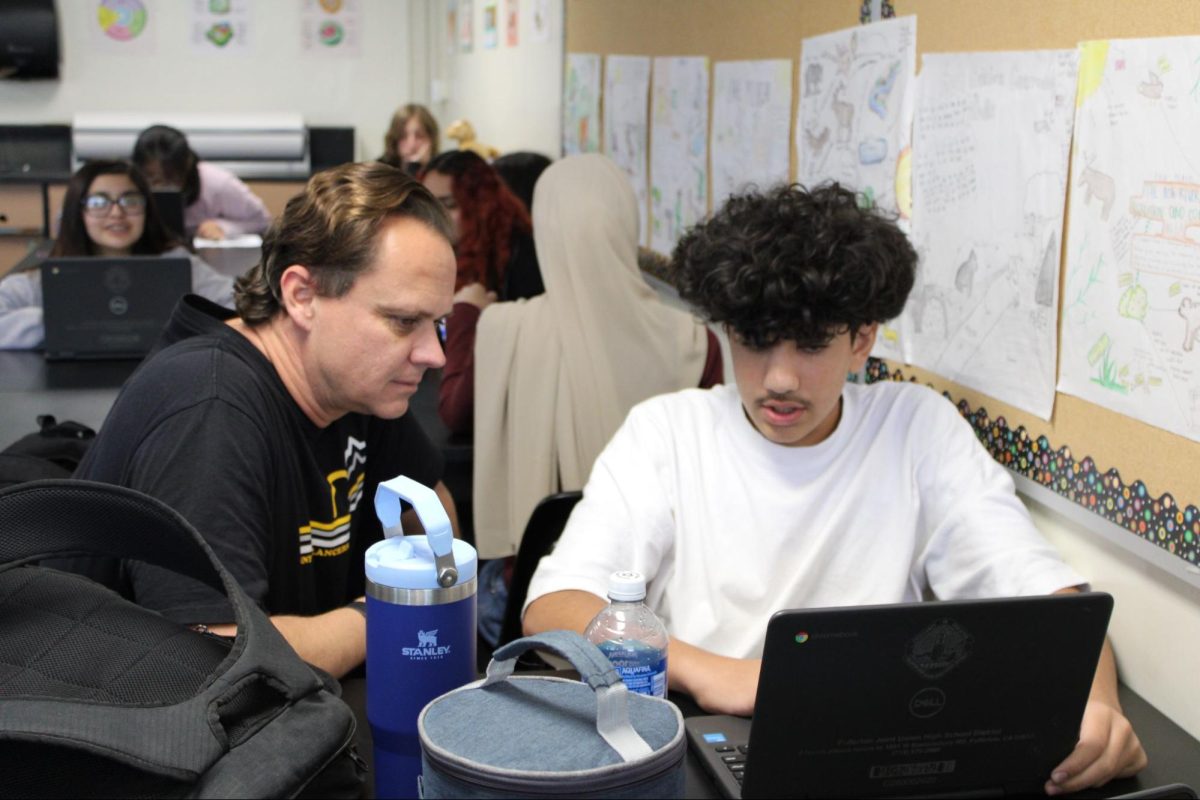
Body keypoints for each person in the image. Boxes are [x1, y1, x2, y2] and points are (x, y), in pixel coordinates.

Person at [522, 183, 1147, 795]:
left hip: (871, 749)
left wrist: (1097, 710)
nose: (780, 378)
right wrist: (719, 677)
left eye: (814, 344)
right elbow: (555, 606)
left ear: (863, 339)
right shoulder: (668, 432)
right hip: (694, 741)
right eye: (755, 342)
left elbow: (1055, 607)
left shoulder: (915, 428)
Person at [67, 162, 460, 679]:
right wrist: (392, 610)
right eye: (404, 322)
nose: (433, 355)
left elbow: (434, 514)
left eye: (439, 324)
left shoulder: (359, 383)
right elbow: (215, 657)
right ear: (301, 296)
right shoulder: (208, 408)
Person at [0, 159, 234, 350]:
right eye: (98, 201)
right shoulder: (55, 275)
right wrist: (59, 320)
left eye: (130, 200)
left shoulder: (175, 265)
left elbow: (237, 303)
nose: (116, 213)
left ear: (146, 209)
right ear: (77, 212)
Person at [420, 149, 544, 300]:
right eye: (427, 204)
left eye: (449, 204)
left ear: (481, 205)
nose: (434, 215)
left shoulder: (519, 256)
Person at [132, 124, 272, 240]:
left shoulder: (218, 184)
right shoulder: (127, 186)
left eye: (170, 179)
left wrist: (223, 227)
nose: (159, 187)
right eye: (151, 179)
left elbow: (263, 222)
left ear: (187, 166)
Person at [380, 103, 440, 176]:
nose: (412, 144)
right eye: (403, 136)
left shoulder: (442, 172)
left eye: (419, 136)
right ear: (394, 140)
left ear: (431, 138)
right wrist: (414, 166)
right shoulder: (379, 172)